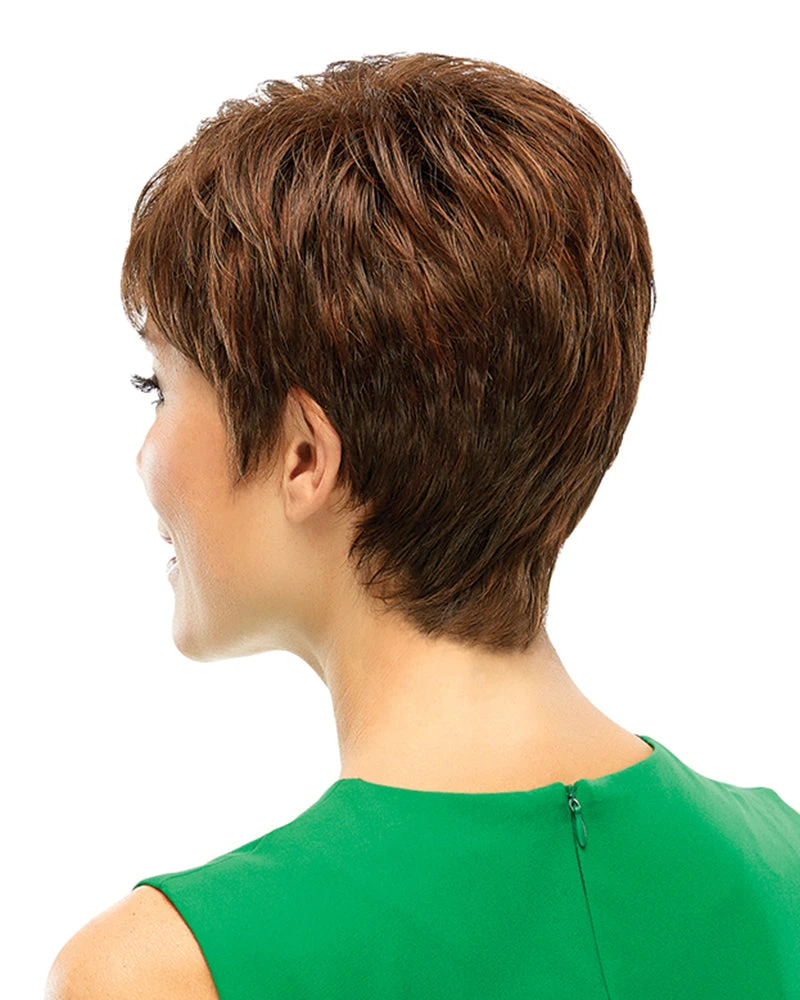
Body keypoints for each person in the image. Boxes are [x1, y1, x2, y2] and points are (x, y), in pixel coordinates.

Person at [46, 52, 800, 1000]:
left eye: (157, 387)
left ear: (304, 457)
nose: (145, 456)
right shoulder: (784, 869)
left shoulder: (161, 973)